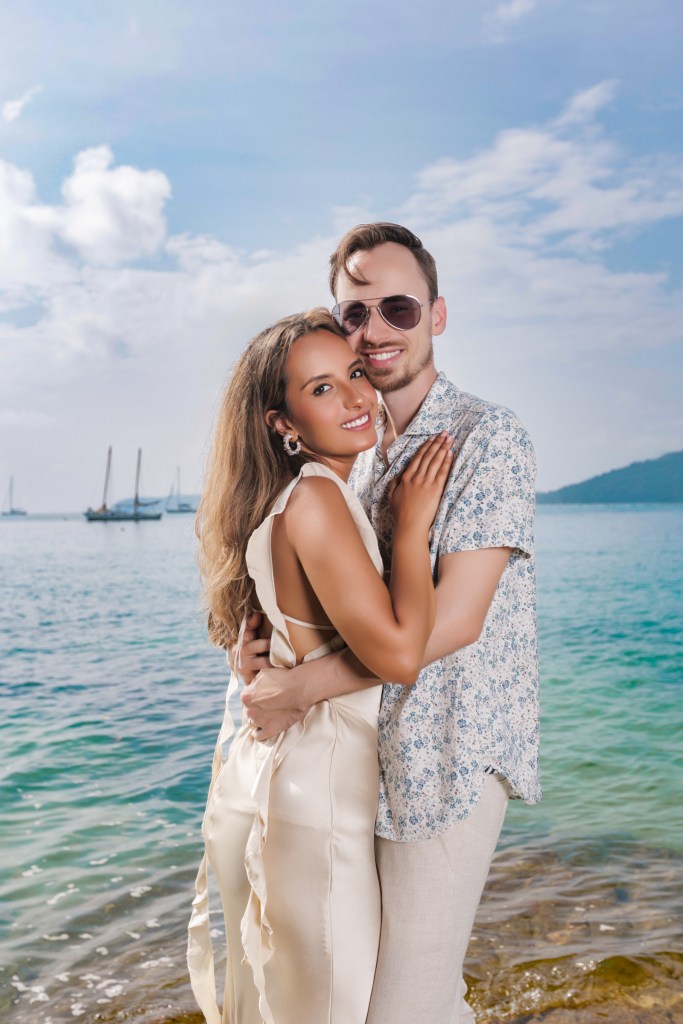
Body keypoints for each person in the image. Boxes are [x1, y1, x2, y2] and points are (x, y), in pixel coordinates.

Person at [240, 223, 541, 1024]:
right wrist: (267, 641)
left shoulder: (487, 438)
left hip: (446, 752)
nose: (373, 331)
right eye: (353, 313)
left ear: (435, 317)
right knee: (402, 995)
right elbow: (331, 596)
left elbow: (455, 622)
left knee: (401, 1007)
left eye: (396, 309)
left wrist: (298, 687)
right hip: (357, 765)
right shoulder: (358, 445)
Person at [187, 307, 454, 1024]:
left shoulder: (293, 500)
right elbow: (397, 656)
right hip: (316, 803)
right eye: (322, 389)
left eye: (356, 375)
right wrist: (414, 527)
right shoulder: (316, 499)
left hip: (283, 786)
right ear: (284, 423)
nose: (357, 398)